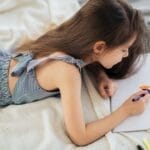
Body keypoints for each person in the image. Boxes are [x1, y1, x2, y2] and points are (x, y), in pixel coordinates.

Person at [0, 0, 150, 146]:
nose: (126, 55)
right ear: (99, 47)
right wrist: (125, 111)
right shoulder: (68, 73)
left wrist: (100, 75)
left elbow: (89, 57)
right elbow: (80, 136)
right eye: (124, 49)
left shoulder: (67, 40)